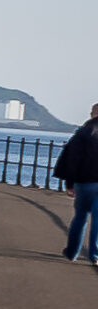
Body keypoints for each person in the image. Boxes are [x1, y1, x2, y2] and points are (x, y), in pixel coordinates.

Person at [54, 103, 98, 262]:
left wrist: (69, 184)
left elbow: (72, 159)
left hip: (84, 182)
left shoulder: (84, 132)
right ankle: (95, 254)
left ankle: (72, 252)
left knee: (80, 218)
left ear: (93, 113)